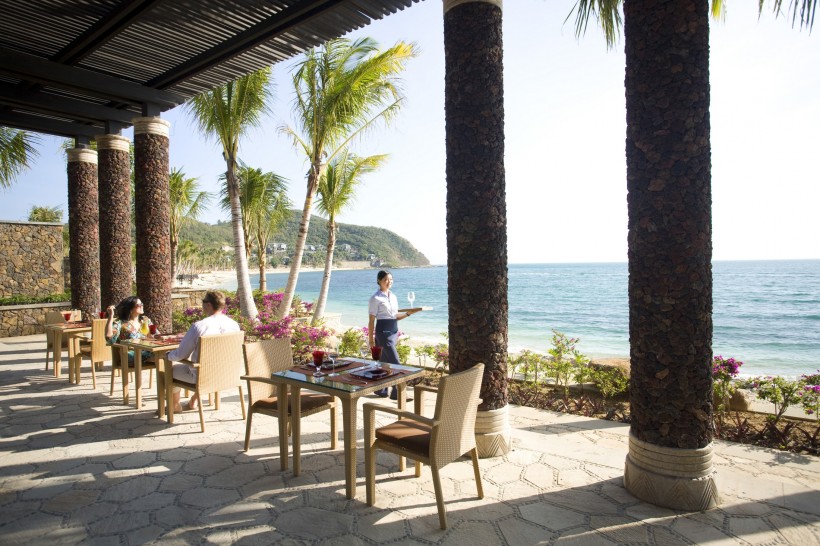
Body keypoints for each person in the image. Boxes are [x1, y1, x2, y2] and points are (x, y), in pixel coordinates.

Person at [167, 290, 240, 413]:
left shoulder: (199, 326)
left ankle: (175, 406)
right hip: (227, 373)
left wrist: (168, 355)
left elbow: (181, 354)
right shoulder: (234, 325)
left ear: (209, 305)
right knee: (209, 366)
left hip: (202, 376)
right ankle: (194, 400)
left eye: (203, 302)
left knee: (169, 371)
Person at [368, 270, 418, 399]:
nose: (389, 282)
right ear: (379, 281)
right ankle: (398, 392)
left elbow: (395, 317)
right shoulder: (375, 298)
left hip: (393, 331)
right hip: (383, 333)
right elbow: (371, 320)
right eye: (386, 279)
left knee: (385, 362)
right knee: (396, 363)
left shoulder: (393, 296)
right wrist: (371, 339)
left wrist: (408, 313)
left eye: (391, 279)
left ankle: (381, 390)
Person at [105, 296, 154, 363]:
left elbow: (156, 335)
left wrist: (155, 336)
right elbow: (109, 339)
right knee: (159, 355)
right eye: (138, 305)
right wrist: (110, 316)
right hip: (129, 354)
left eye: (142, 304)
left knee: (163, 353)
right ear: (130, 309)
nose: (142, 306)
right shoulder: (121, 323)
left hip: (146, 351)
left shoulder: (145, 320)